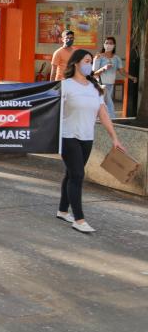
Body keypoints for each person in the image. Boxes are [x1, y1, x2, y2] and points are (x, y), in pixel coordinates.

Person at [57, 49, 124, 233]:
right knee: (78, 175)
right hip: (67, 135)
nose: (89, 64)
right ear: (76, 63)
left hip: (87, 137)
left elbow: (103, 114)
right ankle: (79, 220)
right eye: (87, 61)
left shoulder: (95, 87)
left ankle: (63, 210)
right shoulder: (65, 85)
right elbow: (51, 110)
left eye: (90, 61)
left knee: (72, 174)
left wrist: (115, 139)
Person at [93, 37, 137, 119]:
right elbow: (94, 73)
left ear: (114, 45)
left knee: (103, 103)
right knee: (109, 103)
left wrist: (131, 77)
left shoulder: (116, 58)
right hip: (101, 84)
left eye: (111, 43)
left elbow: (122, 71)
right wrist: (104, 68)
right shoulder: (99, 57)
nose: (108, 45)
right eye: (107, 43)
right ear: (104, 44)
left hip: (110, 84)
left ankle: (98, 119)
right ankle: (113, 119)